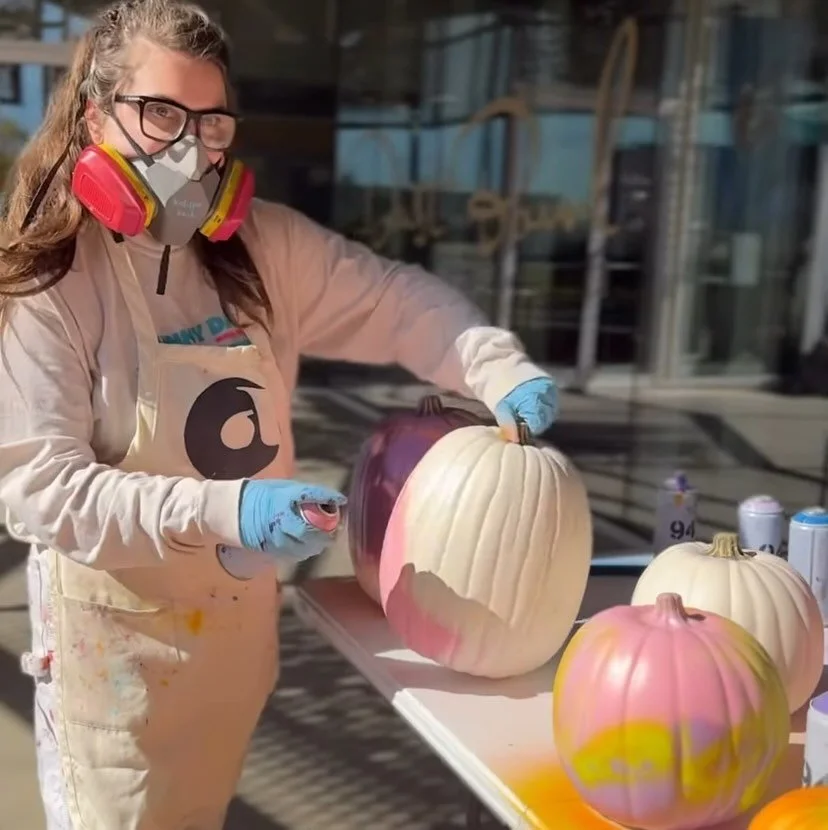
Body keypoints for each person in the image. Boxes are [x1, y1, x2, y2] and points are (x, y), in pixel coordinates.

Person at [0, 1, 558, 828]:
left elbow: (397, 301)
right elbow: (38, 491)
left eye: (210, 121)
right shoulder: (50, 281)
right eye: (159, 114)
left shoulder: (264, 246)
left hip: (233, 647)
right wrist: (227, 510)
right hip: (113, 664)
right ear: (95, 114)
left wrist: (493, 362)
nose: (187, 148)